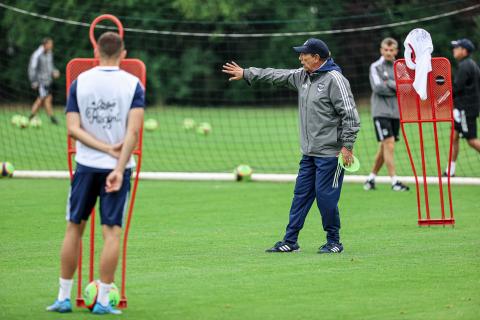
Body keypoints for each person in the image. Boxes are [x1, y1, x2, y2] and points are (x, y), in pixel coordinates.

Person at [222, 38, 360, 254]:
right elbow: (276, 75)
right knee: (300, 197)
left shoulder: (335, 80)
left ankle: (334, 241)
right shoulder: (302, 76)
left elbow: (350, 115)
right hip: (309, 154)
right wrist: (247, 73)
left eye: (304, 54)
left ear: (316, 57)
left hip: (331, 155)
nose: (299, 57)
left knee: (326, 200)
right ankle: (290, 241)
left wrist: (347, 146)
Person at [46, 32, 145, 315]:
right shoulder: (133, 84)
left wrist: (102, 150)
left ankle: (64, 297)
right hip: (118, 169)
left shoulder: (80, 82)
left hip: (86, 165)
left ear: (96, 52)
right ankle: (103, 301)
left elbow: (73, 129)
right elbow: (133, 132)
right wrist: (117, 162)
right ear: (123, 54)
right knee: (111, 234)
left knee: (74, 228)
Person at [364, 37, 409, 191]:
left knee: (385, 147)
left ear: (396, 51)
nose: (389, 52)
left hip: (396, 112)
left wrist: (388, 82)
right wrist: (395, 86)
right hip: (380, 111)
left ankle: (370, 179)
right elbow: (378, 88)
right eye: (386, 50)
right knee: (388, 143)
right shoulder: (375, 66)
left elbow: (406, 88)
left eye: (392, 50)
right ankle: (394, 181)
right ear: (381, 50)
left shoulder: (401, 67)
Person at [444, 38, 480, 177]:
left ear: (464, 51)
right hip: (462, 109)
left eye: (457, 47)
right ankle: (450, 171)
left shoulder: (465, 66)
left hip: (465, 110)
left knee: (471, 140)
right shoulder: (471, 64)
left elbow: (456, 88)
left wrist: (442, 96)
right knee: (454, 137)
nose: (454, 50)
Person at [28, 37, 61, 124]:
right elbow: (32, 68)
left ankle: (51, 118)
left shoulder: (50, 53)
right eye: (50, 44)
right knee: (42, 99)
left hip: (48, 81)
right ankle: (32, 116)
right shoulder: (37, 55)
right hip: (41, 82)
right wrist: (34, 81)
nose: (51, 46)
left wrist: (54, 71)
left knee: (47, 99)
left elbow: (51, 66)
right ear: (45, 45)